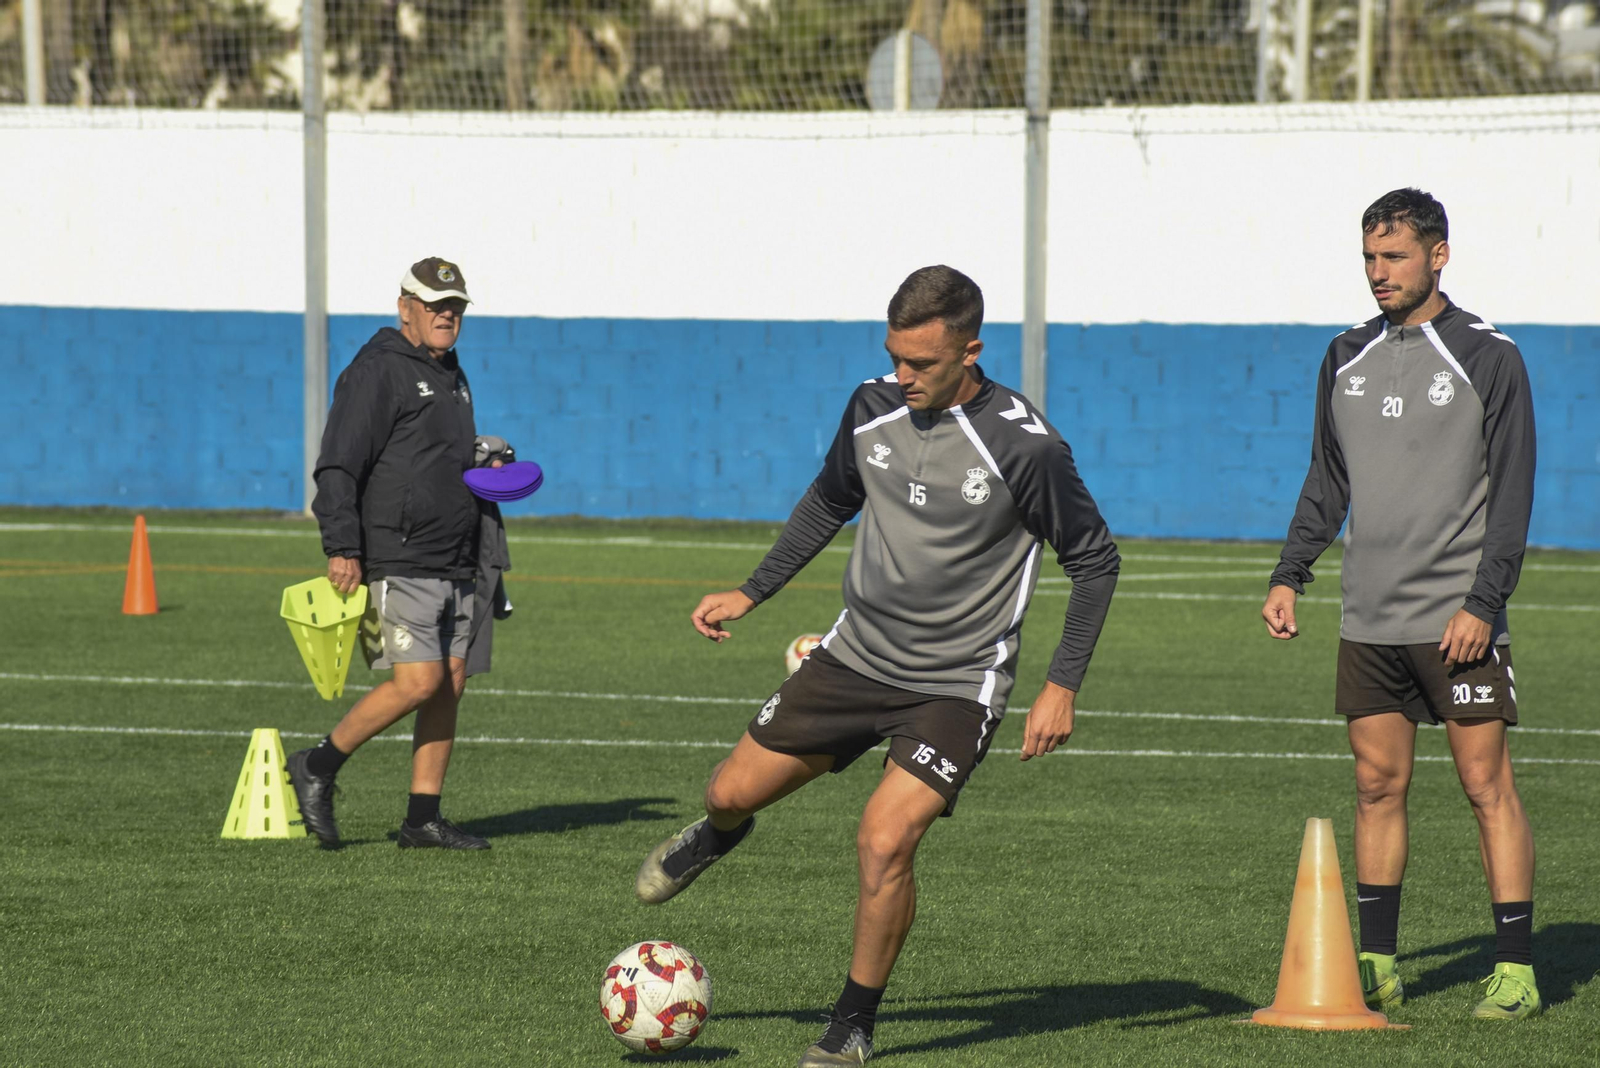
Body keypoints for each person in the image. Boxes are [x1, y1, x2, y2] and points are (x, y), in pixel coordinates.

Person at [634, 265, 1121, 1065]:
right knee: (727, 792)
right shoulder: (870, 409)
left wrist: (1060, 685)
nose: (904, 377)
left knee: (884, 840)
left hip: (955, 684)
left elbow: (1096, 562)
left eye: (922, 364)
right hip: (852, 658)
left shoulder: (1024, 448)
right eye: (895, 358)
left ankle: (854, 1022)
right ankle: (720, 835)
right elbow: (831, 498)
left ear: (971, 351)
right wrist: (753, 592)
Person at [1262, 189, 1540, 1020]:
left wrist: (1483, 604)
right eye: (1370, 259)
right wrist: (1290, 572)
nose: (1379, 274)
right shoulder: (1343, 355)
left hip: (1458, 620)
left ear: (1438, 255)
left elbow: (1514, 495)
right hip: (1368, 620)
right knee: (1376, 786)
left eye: (1395, 258)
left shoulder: (1490, 356)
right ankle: (1377, 966)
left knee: (1486, 786)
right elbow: (1328, 479)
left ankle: (1517, 969)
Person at [288, 256, 496, 851]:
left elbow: (428, 458)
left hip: (455, 554)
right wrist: (342, 546)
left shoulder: (451, 372)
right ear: (405, 307)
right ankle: (317, 766)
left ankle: (422, 819)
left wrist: (486, 460)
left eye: (455, 306)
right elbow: (338, 464)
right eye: (435, 305)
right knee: (417, 682)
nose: (447, 316)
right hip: (397, 555)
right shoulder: (377, 371)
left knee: (449, 683)